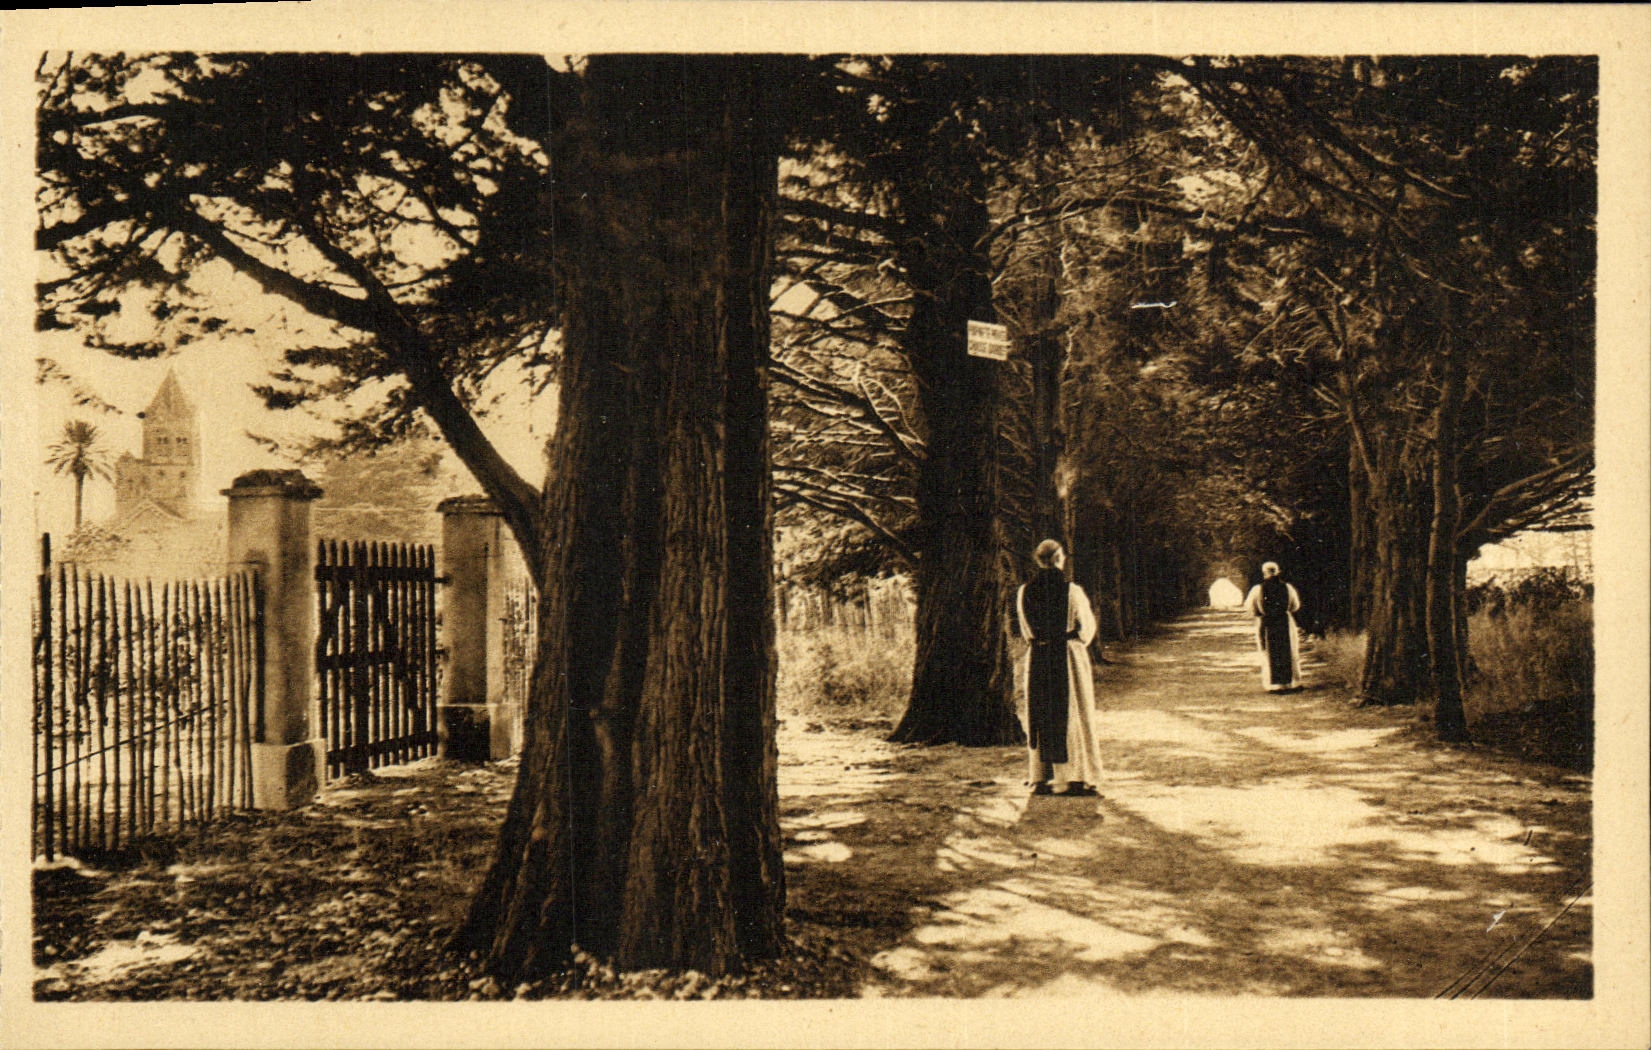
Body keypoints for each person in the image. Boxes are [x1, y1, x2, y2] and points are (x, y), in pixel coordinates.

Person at [1015, 539, 1104, 797]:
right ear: (1057, 559)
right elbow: (1086, 628)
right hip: (1066, 656)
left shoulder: (1024, 592)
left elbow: (1026, 630)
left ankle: (1042, 776)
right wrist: (1076, 642)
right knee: (1072, 712)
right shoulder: (1071, 591)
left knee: (1042, 712)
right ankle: (1073, 777)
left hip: (1040, 655)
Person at [1243, 561, 1303, 691]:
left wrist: (1259, 613)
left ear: (1264, 573)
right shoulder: (1288, 587)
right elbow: (1295, 606)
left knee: (1268, 651)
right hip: (1285, 621)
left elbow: (1250, 607)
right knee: (1290, 651)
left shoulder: (1258, 589)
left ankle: (1274, 685)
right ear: (1277, 572)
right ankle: (1292, 683)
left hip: (1266, 622)